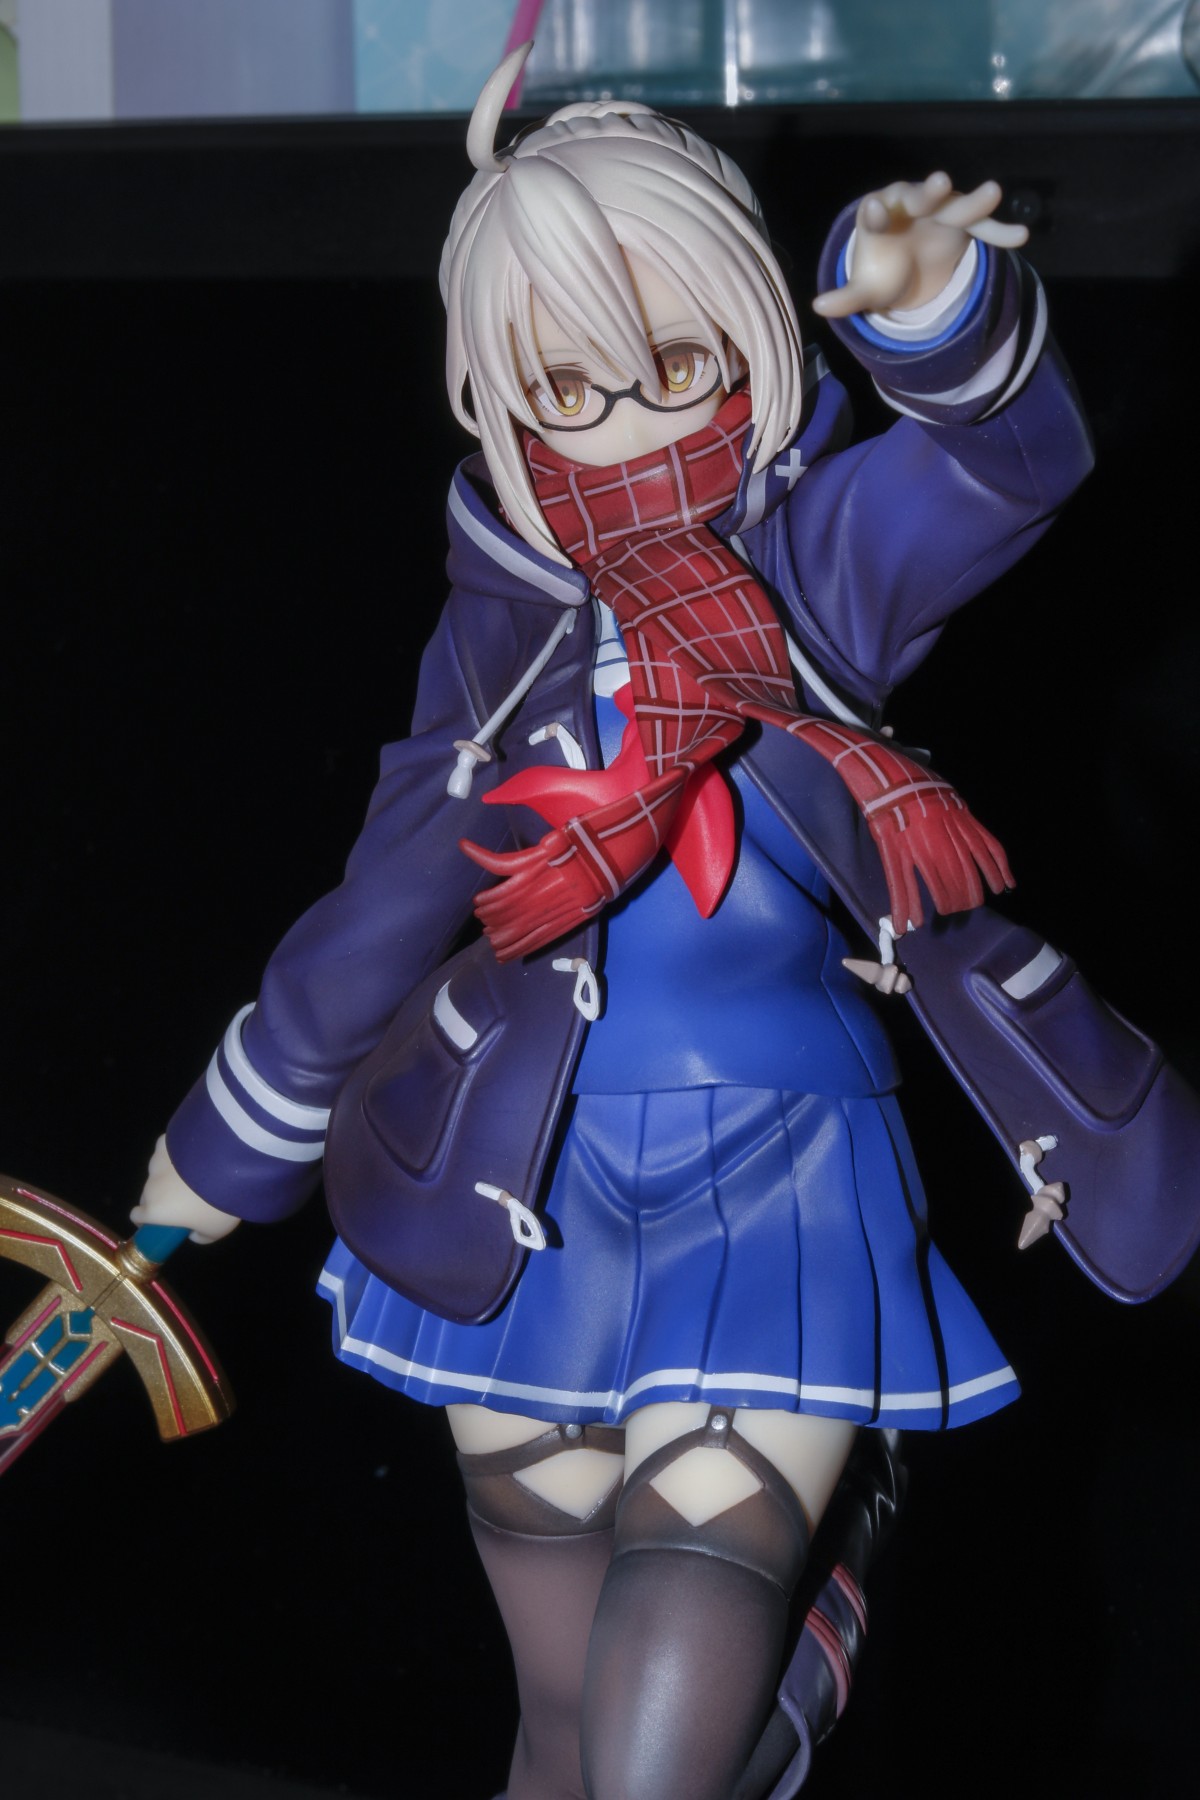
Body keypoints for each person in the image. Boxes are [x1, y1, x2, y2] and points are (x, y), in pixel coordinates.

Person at [133, 44, 1100, 1800]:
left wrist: (934, 311)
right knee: (569, 1731)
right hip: (523, 1182)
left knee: (668, 1736)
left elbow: (1012, 464)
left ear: (753, 336)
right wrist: (221, 1147)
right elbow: (395, 889)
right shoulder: (502, 638)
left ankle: (794, 1653)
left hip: (780, 1166)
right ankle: (800, 1659)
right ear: (499, 401)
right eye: (566, 386)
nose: (630, 422)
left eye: (676, 363)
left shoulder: (820, 572)